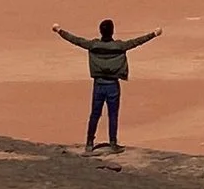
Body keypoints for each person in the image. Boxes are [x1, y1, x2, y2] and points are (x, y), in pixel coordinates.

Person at [54, 19, 161, 151]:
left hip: (98, 84)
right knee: (113, 114)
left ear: (100, 31)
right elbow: (137, 42)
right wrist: (154, 34)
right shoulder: (119, 46)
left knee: (95, 114)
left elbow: (75, 40)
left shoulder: (93, 45)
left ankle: (89, 143)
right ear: (112, 31)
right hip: (112, 85)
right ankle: (113, 143)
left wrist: (59, 31)